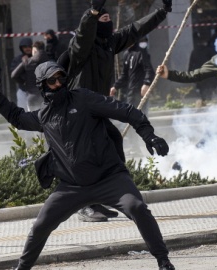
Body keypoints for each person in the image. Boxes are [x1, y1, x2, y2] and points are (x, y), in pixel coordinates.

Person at [0, 61, 176, 270]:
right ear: (42, 85)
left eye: (61, 78)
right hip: (71, 187)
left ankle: (163, 261)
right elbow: (16, 117)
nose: (58, 83)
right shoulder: (44, 116)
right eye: (52, 80)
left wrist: (149, 136)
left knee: (137, 207)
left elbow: (127, 111)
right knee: (40, 226)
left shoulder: (84, 99)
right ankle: (22, 268)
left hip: (109, 179)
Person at [57, 0, 172, 222]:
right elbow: (83, 34)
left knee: (113, 146)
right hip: (77, 112)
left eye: (106, 14)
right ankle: (84, 206)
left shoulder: (109, 43)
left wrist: (162, 12)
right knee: (84, 158)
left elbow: (135, 29)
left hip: (97, 109)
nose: (106, 15)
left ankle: (104, 197)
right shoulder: (80, 48)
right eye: (102, 15)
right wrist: (91, 12)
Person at [110, 36, 155, 115]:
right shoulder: (127, 54)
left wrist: (146, 84)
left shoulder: (141, 52)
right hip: (130, 90)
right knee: (130, 114)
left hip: (140, 90)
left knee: (140, 115)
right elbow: (125, 75)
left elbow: (149, 70)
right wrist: (115, 86)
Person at [11, 41, 49, 111]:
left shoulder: (27, 61)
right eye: (25, 47)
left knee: (32, 119)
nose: (28, 49)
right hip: (46, 96)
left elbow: (14, 75)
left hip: (32, 95)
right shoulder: (50, 60)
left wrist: (24, 82)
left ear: (34, 50)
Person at [10, 37, 33, 107]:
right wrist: (23, 82)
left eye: (29, 46)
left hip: (36, 91)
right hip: (23, 91)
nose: (27, 48)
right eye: (25, 47)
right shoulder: (17, 59)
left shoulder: (36, 57)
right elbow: (13, 74)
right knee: (23, 113)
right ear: (21, 48)